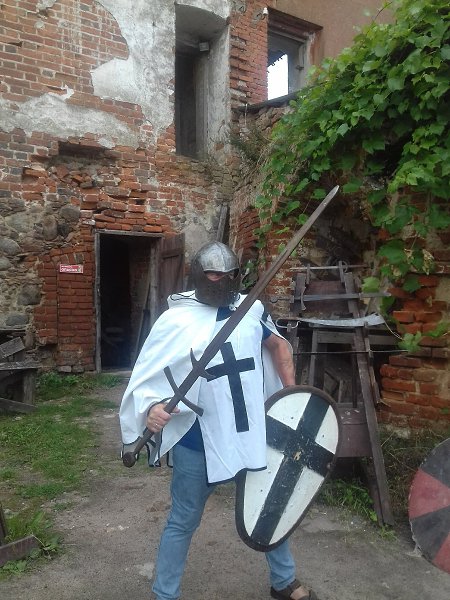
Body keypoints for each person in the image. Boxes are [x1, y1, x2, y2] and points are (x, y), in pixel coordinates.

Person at [119, 241, 317, 600]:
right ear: (197, 275)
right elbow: (150, 374)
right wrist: (151, 408)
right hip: (198, 440)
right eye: (212, 274)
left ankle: (283, 581)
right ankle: (164, 595)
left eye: (228, 274)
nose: (221, 280)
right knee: (183, 519)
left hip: (251, 431)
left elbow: (279, 346)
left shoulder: (251, 309)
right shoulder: (176, 319)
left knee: (268, 505)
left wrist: (293, 397)